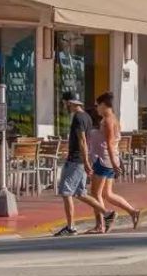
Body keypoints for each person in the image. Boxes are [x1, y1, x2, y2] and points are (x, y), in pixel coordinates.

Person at [52, 91, 107, 237]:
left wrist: (86, 162)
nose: (64, 106)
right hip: (80, 160)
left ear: (69, 103)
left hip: (76, 161)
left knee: (66, 192)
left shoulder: (78, 118)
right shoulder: (87, 117)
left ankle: (71, 227)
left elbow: (82, 140)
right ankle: (106, 213)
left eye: (64, 103)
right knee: (81, 193)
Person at [88, 91, 141, 231]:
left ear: (104, 105)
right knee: (107, 194)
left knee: (95, 194)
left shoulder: (108, 121)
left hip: (104, 160)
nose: (96, 108)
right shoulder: (112, 119)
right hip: (110, 160)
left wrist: (114, 163)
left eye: (97, 105)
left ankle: (100, 224)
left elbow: (110, 143)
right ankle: (132, 211)